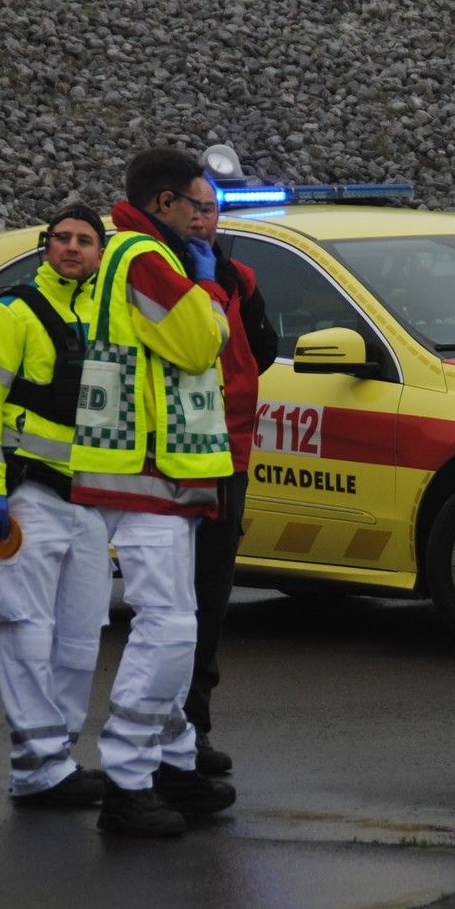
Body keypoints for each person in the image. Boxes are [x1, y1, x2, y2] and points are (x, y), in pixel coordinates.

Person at [71, 147, 238, 837]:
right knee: (168, 627)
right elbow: (203, 343)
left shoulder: (130, 253)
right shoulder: (146, 259)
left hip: (156, 470)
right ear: (164, 201)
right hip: (151, 472)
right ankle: (130, 779)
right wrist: (210, 294)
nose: (202, 220)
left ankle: (170, 764)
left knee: (178, 622)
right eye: (194, 203)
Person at [0, 203, 111, 808]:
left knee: (80, 638)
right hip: (29, 497)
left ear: (101, 254)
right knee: (25, 630)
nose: (72, 247)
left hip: (92, 501)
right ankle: (42, 765)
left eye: (85, 240)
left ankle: (53, 760)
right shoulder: (13, 311)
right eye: (61, 238)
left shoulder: (109, 317)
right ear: (47, 246)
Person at [181, 159, 278, 777]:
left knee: (210, 596)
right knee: (169, 606)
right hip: (167, 460)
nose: (201, 217)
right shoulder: (157, 271)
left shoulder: (238, 276)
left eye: (209, 208)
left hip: (227, 454)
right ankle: (167, 737)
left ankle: (195, 727)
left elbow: (263, 348)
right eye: (192, 207)